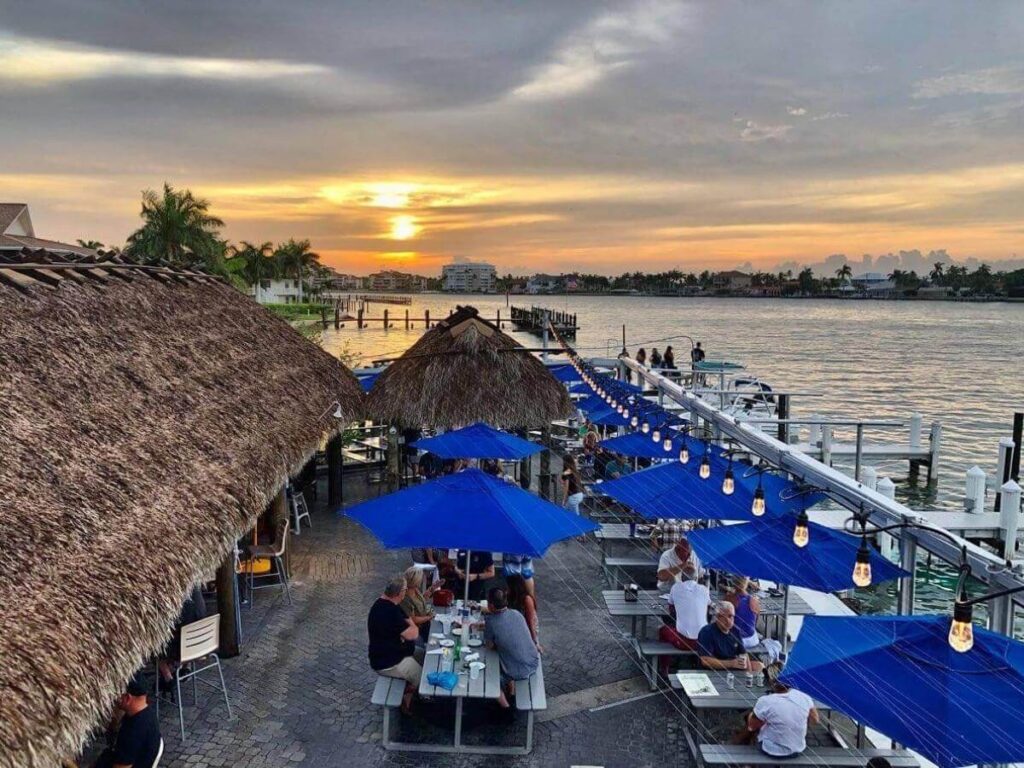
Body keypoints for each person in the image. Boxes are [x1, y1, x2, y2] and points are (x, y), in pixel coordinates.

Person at [368, 575, 424, 715]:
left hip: (386, 652)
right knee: (422, 677)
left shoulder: (381, 603)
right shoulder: (391, 612)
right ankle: (407, 695)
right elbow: (413, 634)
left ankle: (408, 690)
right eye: (405, 590)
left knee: (423, 655)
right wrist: (412, 624)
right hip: (388, 662)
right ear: (400, 593)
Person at [734, 674, 818, 758]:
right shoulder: (804, 697)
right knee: (764, 720)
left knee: (755, 728)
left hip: (771, 750)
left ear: (771, 681)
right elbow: (815, 721)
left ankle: (747, 761)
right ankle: (738, 742)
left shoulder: (765, 701)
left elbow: (752, 726)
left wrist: (751, 715)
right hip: (797, 749)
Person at [483, 587, 540, 708]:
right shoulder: (517, 613)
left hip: (517, 671)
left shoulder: (491, 622)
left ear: (491, 605)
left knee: (487, 676)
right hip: (533, 662)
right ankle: (512, 693)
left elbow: (489, 646)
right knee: (508, 655)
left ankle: (506, 709)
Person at [92, 674, 161, 768]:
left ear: (128, 698)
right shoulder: (147, 713)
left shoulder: (132, 733)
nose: (113, 697)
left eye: (116, 693)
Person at [657, 576, 711, 672]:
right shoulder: (704, 589)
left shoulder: (676, 587)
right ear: (696, 577)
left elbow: (671, 608)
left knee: (663, 630)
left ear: (681, 577)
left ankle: (664, 667)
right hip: (703, 641)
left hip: (684, 642)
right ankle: (698, 662)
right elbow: (708, 606)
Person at [696, 601, 764, 672]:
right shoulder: (707, 632)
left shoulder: (735, 631)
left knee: (760, 666)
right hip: (714, 670)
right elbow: (705, 661)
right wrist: (731, 663)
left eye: (730, 616)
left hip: (732, 667)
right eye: (724, 617)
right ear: (717, 617)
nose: (728, 621)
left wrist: (748, 675)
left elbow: (744, 654)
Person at [400, 567, 438, 643]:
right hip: (416, 630)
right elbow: (413, 620)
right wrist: (429, 617)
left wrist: (432, 588)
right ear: (416, 580)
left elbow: (422, 600)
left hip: (424, 625)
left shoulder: (415, 590)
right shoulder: (405, 598)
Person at [724, 575, 762, 649]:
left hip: (735, 641)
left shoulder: (729, 598)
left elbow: (724, 622)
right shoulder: (754, 600)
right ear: (747, 582)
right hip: (752, 641)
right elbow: (755, 622)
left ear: (733, 583)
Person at [506, 573, 541, 650]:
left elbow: (531, 621)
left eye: (508, 586)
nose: (506, 588)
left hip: (527, 627)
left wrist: (534, 642)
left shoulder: (527, 599)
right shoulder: (510, 597)